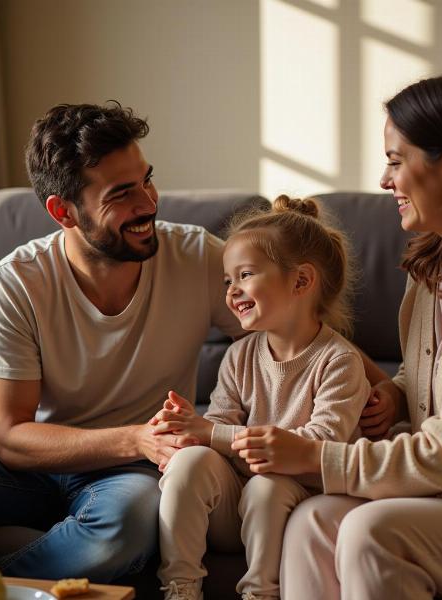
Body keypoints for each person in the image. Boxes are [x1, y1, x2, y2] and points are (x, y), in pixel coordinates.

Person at [231, 70, 442, 599]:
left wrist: (313, 457)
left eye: (394, 160)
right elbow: (430, 372)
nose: (385, 181)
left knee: (372, 534)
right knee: (312, 521)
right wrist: (396, 391)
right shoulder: (434, 269)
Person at [0, 102, 243, 582]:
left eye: (147, 180)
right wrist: (135, 436)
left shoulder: (195, 257)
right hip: (39, 463)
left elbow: (295, 333)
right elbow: (8, 435)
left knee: (124, 532)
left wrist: (377, 384)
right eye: (122, 193)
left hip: (128, 473)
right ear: (63, 212)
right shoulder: (16, 282)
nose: (149, 203)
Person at [151, 195, 371, 600]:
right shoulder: (238, 356)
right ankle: (180, 588)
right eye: (227, 281)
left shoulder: (340, 362)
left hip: (293, 498)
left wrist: (212, 432)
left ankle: (260, 593)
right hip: (233, 500)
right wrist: (190, 432)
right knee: (190, 461)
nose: (232, 290)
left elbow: (320, 447)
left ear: (301, 282)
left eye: (245, 275)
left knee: (268, 484)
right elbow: (217, 431)